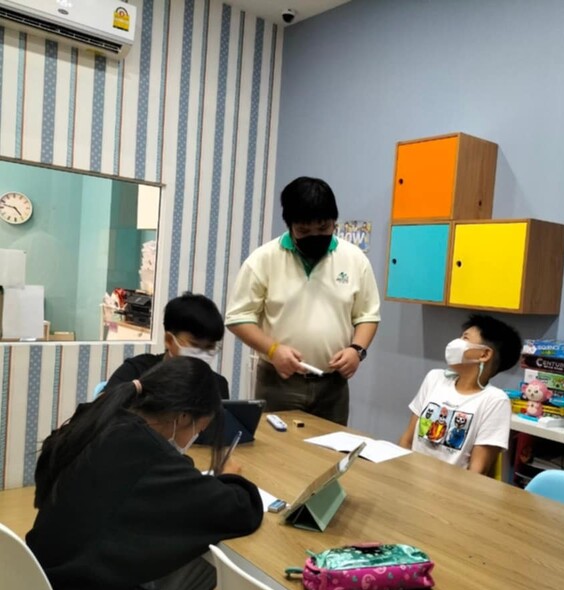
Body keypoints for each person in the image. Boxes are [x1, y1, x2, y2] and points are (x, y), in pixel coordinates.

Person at [27, 357, 263, 590]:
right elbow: (241, 510)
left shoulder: (100, 420)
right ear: (183, 417)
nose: (194, 438)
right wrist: (231, 477)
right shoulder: (145, 453)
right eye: (199, 430)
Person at [225, 176, 381, 425]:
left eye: (323, 228)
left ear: (334, 222)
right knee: (276, 447)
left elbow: (367, 315)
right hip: (279, 380)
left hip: (334, 384)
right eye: (304, 231)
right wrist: (273, 350)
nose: (315, 236)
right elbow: (238, 318)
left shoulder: (355, 259)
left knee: (332, 447)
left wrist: (356, 350)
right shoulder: (263, 259)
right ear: (289, 226)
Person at [399, 314, 522, 475]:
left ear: (484, 354)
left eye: (465, 338)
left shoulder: (495, 401)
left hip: (450, 486)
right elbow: (406, 440)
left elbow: (477, 471)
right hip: (411, 476)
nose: (455, 343)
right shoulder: (435, 378)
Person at [104, 292, 229, 444]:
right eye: (195, 345)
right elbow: (103, 418)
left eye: (209, 347)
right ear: (169, 340)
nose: (203, 354)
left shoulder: (218, 385)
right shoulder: (135, 371)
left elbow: (214, 438)